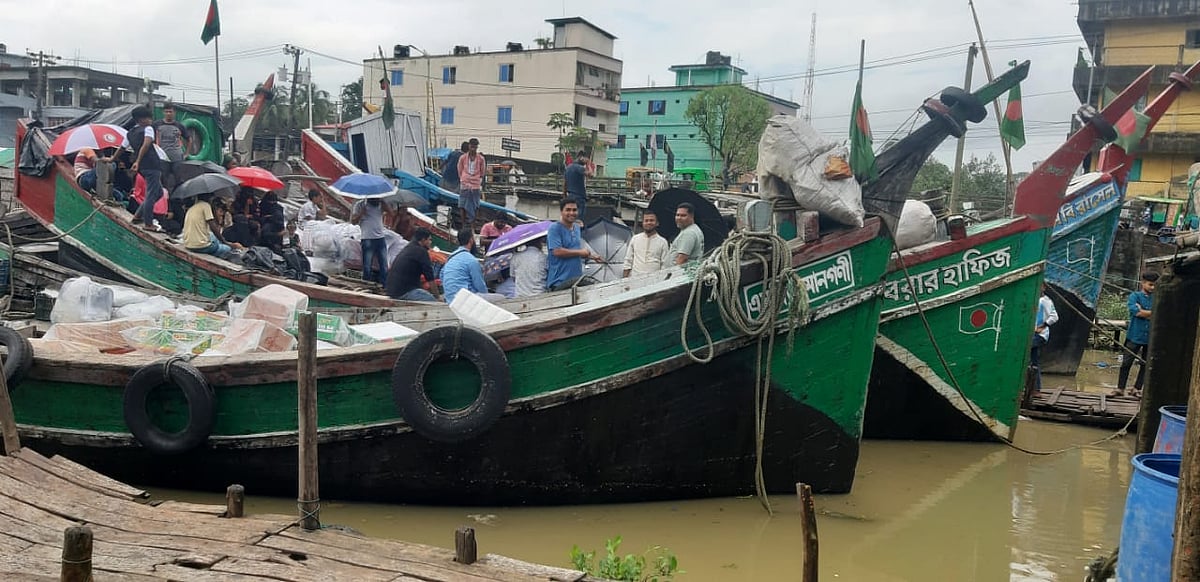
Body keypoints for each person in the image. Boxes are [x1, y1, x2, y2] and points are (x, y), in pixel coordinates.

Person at [1115, 272, 1158, 398]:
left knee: (1145, 364)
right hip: (1134, 335)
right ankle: (1120, 388)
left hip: (1150, 337)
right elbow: (1136, 312)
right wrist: (1151, 313)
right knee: (1126, 363)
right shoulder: (1135, 296)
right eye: (1150, 285)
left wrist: (1145, 312)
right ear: (1143, 283)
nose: (1152, 288)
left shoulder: (1157, 297)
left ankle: (1136, 388)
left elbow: (1160, 313)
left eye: (1155, 285)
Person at [547, 198, 601, 292]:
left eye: (574, 210)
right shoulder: (554, 228)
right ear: (561, 211)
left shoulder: (576, 228)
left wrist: (592, 256)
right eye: (568, 210)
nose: (571, 213)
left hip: (576, 281)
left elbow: (574, 250)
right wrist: (580, 252)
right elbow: (557, 251)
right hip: (559, 282)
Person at [441, 229, 505, 304]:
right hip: (465, 299)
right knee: (502, 298)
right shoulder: (471, 260)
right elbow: (480, 287)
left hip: (450, 298)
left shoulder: (451, 258)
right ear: (471, 240)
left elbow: (442, 275)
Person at [129, 106, 163, 231]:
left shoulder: (130, 133)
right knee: (151, 194)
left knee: (158, 193)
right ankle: (148, 223)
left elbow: (122, 147)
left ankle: (138, 215)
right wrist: (138, 160)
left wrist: (111, 159)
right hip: (152, 165)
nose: (150, 120)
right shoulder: (148, 129)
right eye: (148, 118)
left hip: (142, 167)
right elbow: (147, 143)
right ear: (141, 119)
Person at [385, 227, 439, 301]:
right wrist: (437, 297)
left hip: (391, 291)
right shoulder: (421, 251)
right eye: (429, 240)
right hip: (404, 292)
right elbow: (430, 278)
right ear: (423, 240)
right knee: (433, 301)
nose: (430, 242)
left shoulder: (408, 248)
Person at [183, 194, 240, 259]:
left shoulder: (192, 208)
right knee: (227, 248)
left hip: (188, 245)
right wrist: (226, 242)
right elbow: (213, 227)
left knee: (213, 237)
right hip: (201, 247)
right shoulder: (206, 206)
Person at [622, 210, 672, 277]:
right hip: (634, 279)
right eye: (646, 220)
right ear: (642, 223)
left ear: (657, 223)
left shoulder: (663, 242)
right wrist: (624, 280)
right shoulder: (635, 239)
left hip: (654, 280)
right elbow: (628, 260)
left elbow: (665, 265)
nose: (649, 223)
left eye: (651, 220)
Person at [1029, 283, 1059, 394]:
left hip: (1039, 335)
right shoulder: (1033, 299)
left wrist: (1043, 325)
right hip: (1033, 334)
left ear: (1044, 288)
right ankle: (1036, 389)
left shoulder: (1045, 301)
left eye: (1041, 286)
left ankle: (1032, 388)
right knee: (1034, 361)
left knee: (1024, 354)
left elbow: (1055, 316)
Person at [351, 197, 389, 285]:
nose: (377, 199)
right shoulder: (360, 205)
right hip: (367, 238)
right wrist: (361, 213)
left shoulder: (380, 204)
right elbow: (353, 221)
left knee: (384, 265)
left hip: (380, 238)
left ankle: (384, 285)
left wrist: (384, 204)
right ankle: (366, 285)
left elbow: (391, 213)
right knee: (367, 266)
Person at [154, 103, 190, 191]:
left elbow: (189, 139)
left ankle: (178, 199)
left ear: (174, 113)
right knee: (163, 180)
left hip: (177, 156)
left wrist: (186, 153)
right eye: (166, 112)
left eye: (170, 112)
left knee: (179, 180)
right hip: (163, 157)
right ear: (163, 112)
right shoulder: (157, 124)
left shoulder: (179, 126)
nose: (168, 114)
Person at [457, 138, 486, 229]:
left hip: (475, 183)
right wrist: (463, 178)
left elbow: (482, 172)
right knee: (462, 204)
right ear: (469, 146)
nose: (473, 148)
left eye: (475, 146)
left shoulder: (481, 159)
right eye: (471, 146)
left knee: (475, 205)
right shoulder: (463, 158)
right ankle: (463, 225)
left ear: (477, 147)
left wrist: (477, 179)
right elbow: (459, 169)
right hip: (465, 183)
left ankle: (473, 225)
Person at [563, 151, 589, 219]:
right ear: (581, 157)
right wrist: (588, 164)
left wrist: (565, 196)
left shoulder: (568, 168)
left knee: (571, 218)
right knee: (578, 219)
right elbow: (591, 175)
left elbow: (565, 184)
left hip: (570, 196)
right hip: (579, 197)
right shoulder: (579, 167)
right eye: (586, 158)